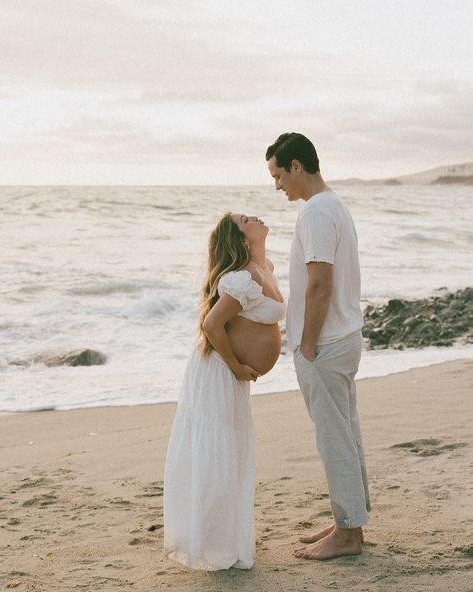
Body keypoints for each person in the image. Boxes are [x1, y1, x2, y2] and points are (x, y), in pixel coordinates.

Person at [266, 132, 370, 560]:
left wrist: (306, 344)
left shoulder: (316, 213)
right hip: (342, 337)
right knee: (346, 432)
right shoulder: (333, 205)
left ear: (296, 166)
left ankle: (348, 534)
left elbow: (320, 282)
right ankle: (350, 520)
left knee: (334, 438)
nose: (276, 185)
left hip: (325, 344)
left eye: (277, 174)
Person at [164, 212, 285, 570]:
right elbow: (212, 323)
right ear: (239, 237)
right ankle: (213, 538)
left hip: (228, 375)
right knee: (217, 451)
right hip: (218, 372)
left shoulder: (262, 267)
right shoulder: (241, 278)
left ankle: (229, 529)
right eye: (245, 219)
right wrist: (235, 366)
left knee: (230, 450)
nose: (255, 217)